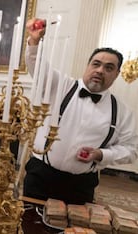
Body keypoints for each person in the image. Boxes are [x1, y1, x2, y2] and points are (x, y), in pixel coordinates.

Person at [23, 18, 138, 204]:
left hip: (81, 185)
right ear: (88, 65)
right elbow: (37, 66)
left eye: (108, 68)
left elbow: (131, 150)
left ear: (117, 74)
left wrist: (101, 154)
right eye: (96, 64)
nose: (100, 70)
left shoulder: (123, 112)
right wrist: (35, 41)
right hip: (41, 175)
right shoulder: (60, 85)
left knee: (73, 230)